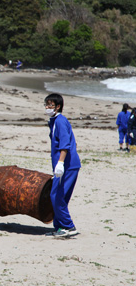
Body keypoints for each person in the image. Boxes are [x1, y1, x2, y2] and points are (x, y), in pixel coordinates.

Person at [44, 93, 80, 238]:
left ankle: (69, 226)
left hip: (68, 165)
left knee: (56, 196)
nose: (47, 107)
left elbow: (65, 144)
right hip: (63, 166)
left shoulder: (60, 121)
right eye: (46, 105)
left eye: (50, 105)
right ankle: (59, 227)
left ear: (58, 107)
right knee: (60, 197)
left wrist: (60, 163)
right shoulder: (53, 121)